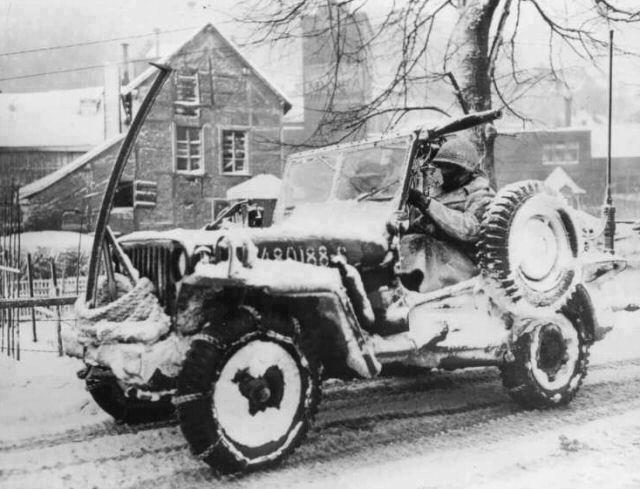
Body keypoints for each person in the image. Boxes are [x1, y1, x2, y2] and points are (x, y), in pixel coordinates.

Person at [400, 137, 496, 293]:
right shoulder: (444, 193)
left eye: (449, 168)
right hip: (436, 263)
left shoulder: (481, 194)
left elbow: (471, 229)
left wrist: (426, 204)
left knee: (424, 244)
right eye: (441, 167)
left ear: (464, 170)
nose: (443, 172)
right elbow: (426, 224)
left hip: (465, 268)